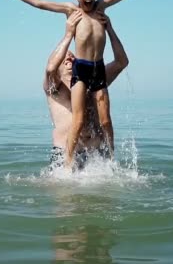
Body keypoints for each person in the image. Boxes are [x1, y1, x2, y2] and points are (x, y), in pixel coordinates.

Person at [0, 0, 161, 169]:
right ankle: (67, 163)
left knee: (106, 120)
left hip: (98, 68)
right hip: (81, 69)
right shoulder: (71, 11)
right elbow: (39, 3)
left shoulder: (101, 8)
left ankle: (111, 158)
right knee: (79, 118)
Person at [43, 11, 129, 170]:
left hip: (97, 153)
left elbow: (121, 62)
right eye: (64, 57)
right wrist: (69, 35)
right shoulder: (54, 87)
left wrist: (109, 29)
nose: (69, 57)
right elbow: (50, 68)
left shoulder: (93, 80)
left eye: (72, 56)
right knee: (65, 193)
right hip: (65, 153)